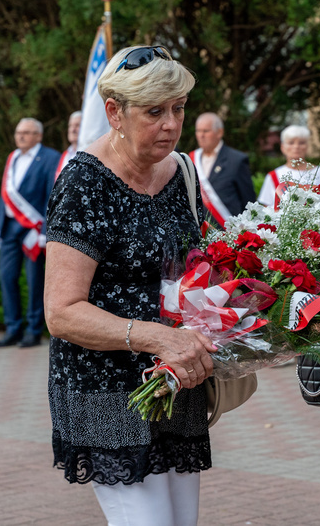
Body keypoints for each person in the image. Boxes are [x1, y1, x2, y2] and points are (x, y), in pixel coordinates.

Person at [44, 45, 215, 526]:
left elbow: (201, 264)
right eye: (154, 111)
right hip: (105, 391)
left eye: (178, 109)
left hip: (171, 384)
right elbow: (61, 312)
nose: (170, 124)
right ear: (114, 111)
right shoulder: (85, 181)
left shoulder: (181, 170)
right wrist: (159, 336)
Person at [0, 118, 60, 348]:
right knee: (7, 278)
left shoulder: (50, 158)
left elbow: (52, 195)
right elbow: (5, 194)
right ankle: (12, 328)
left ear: (38, 136)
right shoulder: (12, 157)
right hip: (10, 229)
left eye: (27, 133)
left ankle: (33, 329)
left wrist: (43, 230)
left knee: (34, 281)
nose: (21, 136)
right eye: (19, 132)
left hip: (33, 231)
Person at [189, 112, 255, 225]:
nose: (201, 135)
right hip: (198, 231)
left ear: (219, 132)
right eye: (198, 131)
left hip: (228, 232)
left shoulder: (237, 160)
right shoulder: (191, 158)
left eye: (205, 131)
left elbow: (248, 201)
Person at [257, 125, 320, 206]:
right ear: (282, 147)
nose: (296, 146)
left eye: (301, 143)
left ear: (307, 146)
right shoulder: (273, 176)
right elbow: (266, 208)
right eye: (291, 142)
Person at [55, 111, 82, 179]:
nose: (73, 130)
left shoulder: (91, 153)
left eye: (77, 125)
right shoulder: (65, 155)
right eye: (70, 126)